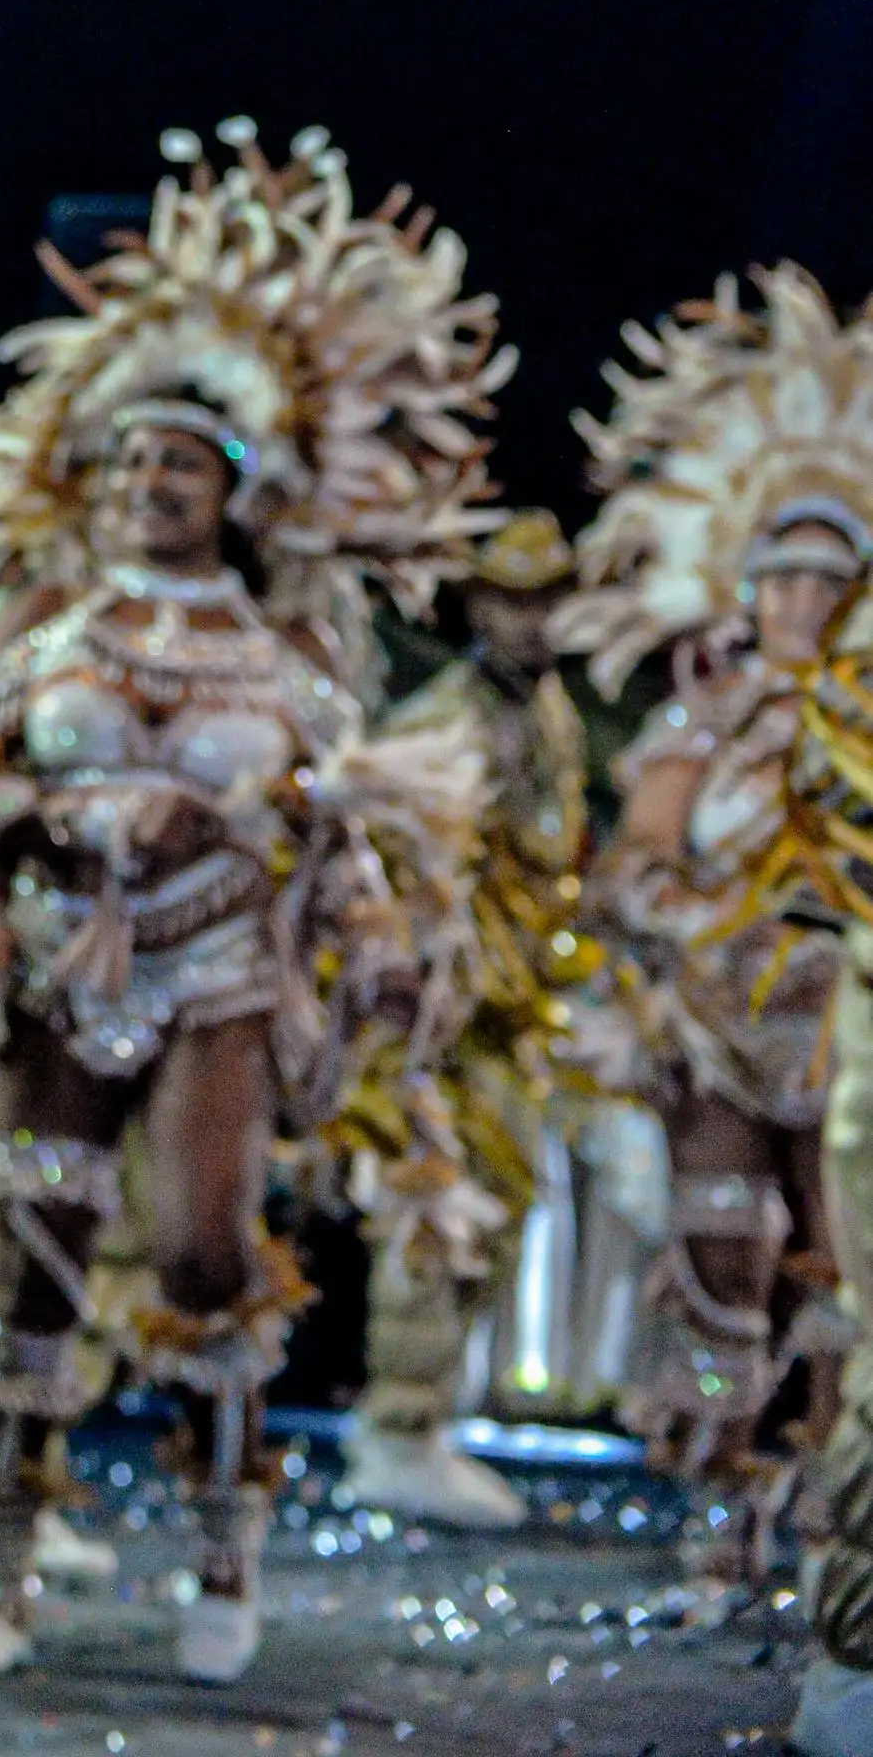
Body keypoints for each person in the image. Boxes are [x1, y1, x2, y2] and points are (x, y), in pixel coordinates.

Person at [0, 122, 503, 1686]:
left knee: (196, 1254)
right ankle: (2, 1569)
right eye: (126, 461)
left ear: (233, 490)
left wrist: (345, 905)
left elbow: (348, 822)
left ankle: (222, 1555)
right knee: (27, 1238)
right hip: (49, 972)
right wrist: (41, 811)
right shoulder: (37, 630)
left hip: (222, 977)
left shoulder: (289, 655)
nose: (146, 484)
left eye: (177, 463)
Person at [566, 264, 873, 1614]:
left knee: (839, 1273)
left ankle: (832, 1525)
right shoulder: (699, 721)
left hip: (847, 1027)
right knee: (717, 1263)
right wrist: (681, 912)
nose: (801, 600)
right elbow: (629, 860)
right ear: (742, 585)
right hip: (720, 1028)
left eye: (829, 578)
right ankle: (717, 1512)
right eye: (781, 575)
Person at [335, 507, 614, 1526]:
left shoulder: (552, 714)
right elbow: (387, 856)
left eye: (546, 600)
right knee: (431, 1206)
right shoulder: (443, 720)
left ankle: (421, 1421)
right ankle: (397, 1426)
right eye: (511, 598)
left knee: (493, 1202)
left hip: (510, 1009)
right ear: (478, 604)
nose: (530, 621)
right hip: (438, 1017)